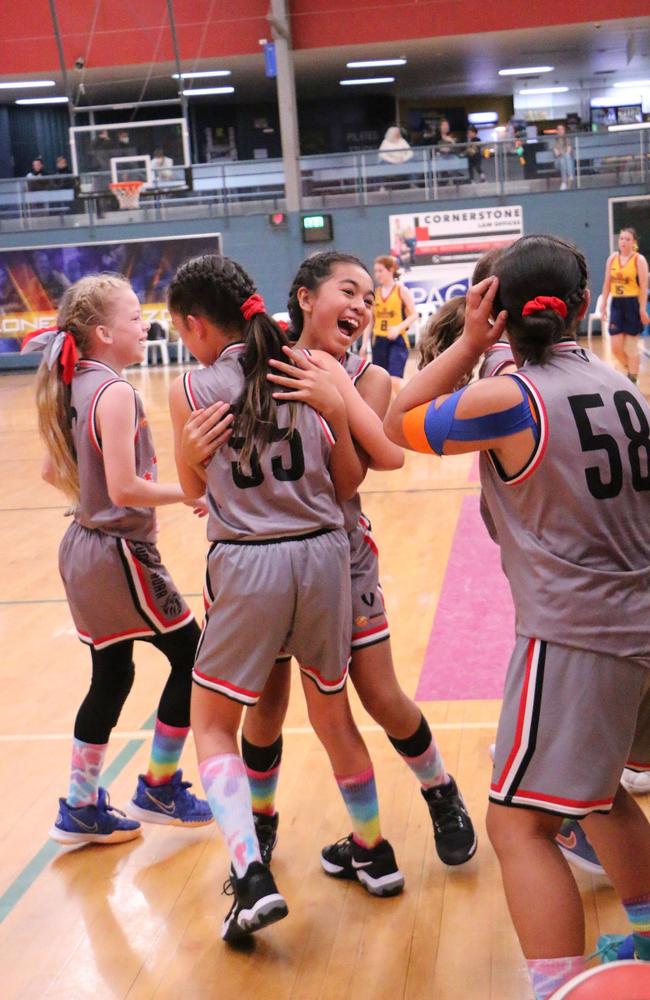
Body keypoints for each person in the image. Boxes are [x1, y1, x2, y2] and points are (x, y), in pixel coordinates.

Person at [385, 234, 650, 999]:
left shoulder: (507, 399)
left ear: (492, 309)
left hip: (579, 635)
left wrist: (470, 343)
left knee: (519, 824)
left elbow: (398, 417)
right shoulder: (622, 382)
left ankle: (560, 987)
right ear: (583, 304)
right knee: (595, 794)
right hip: (637, 619)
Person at [180, 251, 477, 879]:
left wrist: (336, 408)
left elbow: (364, 472)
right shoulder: (261, 356)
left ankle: (440, 791)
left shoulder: (363, 377)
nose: (364, 306)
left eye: (371, 298)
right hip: (275, 561)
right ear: (305, 298)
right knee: (263, 704)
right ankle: (261, 821)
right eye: (351, 291)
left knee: (379, 694)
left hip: (338, 557)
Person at [167, 253, 405, 944]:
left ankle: (251, 873)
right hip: (326, 556)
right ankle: (375, 850)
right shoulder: (305, 368)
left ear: (192, 325)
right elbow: (347, 474)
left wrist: (187, 452)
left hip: (249, 562)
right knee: (332, 716)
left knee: (212, 723)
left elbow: (190, 494)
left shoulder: (193, 384)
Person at [22, 274, 213, 847]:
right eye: (135, 317)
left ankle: (80, 806)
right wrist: (192, 491)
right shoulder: (116, 393)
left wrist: (96, 502)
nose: (146, 324)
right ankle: (158, 785)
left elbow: (53, 472)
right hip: (117, 553)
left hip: (81, 548)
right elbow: (126, 489)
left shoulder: (70, 384)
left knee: (112, 674)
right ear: (104, 332)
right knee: (195, 655)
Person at [601, 227, 649, 383]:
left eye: (627, 239)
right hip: (616, 303)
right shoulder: (612, 259)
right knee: (615, 347)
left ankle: (633, 380)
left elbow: (643, 287)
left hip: (632, 304)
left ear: (633, 242)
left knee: (630, 347)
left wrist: (642, 309)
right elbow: (607, 283)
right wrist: (603, 306)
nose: (623, 242)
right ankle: (631, 368)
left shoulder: (639, 260)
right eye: (621, 238)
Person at [372, 255, 419, 394]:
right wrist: (363, 345)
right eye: (376, 271)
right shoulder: (376, 293)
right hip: (379, 340)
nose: (377, 274)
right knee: (381, 383)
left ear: (391, 269)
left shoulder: (401, 290)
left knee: (395, 380)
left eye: (380, 271)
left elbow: (414, 314)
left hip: (397, 340)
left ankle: (405, 410)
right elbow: (371, 318)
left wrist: (399, 328)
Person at [553, 124, 575, 191]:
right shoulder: (554, 140)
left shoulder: (567, 139)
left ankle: (564, 183)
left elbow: (569, 151)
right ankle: (570, 175)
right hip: (557, 163)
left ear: (564, 130)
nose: (560, 131)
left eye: (562, 129)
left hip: (565, 161)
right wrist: (563, 153)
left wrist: (562, 152)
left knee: (564, 160)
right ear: (556, 131)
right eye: (558, 129)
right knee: (563, 159)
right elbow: (556, 154)